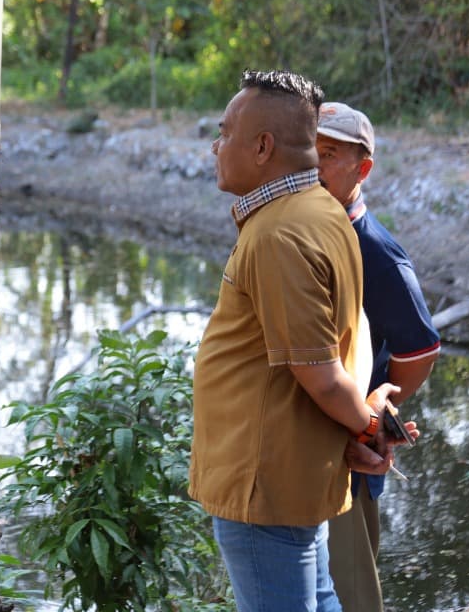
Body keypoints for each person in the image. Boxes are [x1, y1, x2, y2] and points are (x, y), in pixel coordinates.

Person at [189, 70, 401, 611]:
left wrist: (369, 425)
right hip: (293, 473)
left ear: (262, 147)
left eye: (225, 132)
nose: (216, 146)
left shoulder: (280, 233)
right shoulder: (324, 212)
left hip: (266, 488)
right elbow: (347, 342)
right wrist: (361, 425)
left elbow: (323, 373)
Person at [316, 102, 441, 612]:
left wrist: (369, 417)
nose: (313, 166)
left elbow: (422, 348)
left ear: (361, 168)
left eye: (327, 154)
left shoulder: (375, 248)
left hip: (353, 451)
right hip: (312, 446)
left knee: (351, 591)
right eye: (308, 152)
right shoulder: (311, 230)